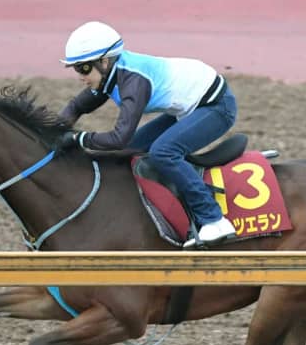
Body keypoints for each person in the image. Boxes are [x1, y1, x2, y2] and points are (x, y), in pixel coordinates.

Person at [57, 21, 237, 248]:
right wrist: (51, 133)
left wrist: (78, 139)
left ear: (104, 61)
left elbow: (118, 137)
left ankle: (214, 218)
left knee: (163, 152)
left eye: (83, 68)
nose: (80, 76)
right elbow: (76, 107)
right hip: (190, 104)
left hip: (217, 107)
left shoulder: (133, 82)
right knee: (130, 150)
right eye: (75, 68)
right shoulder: (110, 73)